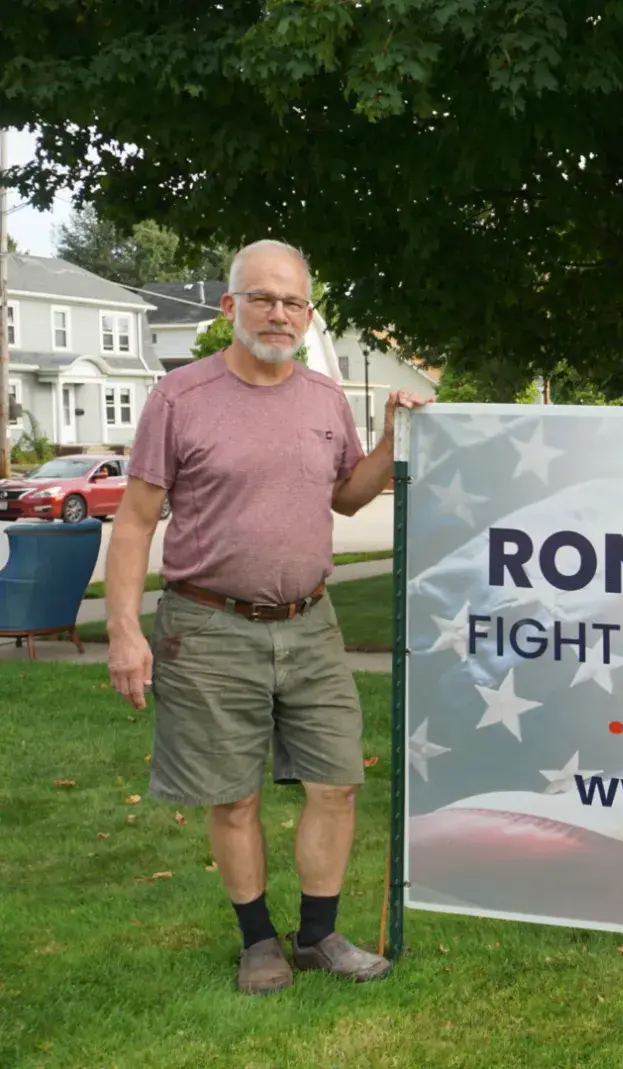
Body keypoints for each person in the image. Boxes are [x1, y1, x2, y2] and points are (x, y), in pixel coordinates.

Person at [104, 238, 430, 995]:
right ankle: (258, 941)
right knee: (234, 792)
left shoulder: (322, 399)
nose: (279, 313)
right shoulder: (179, 397)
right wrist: (123, 629)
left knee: (337, 780)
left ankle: (318, 935)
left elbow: (348, 494)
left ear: (307, 313)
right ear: (230, 307)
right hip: (209, 623)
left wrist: (388, 438)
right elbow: (134, 521)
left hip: (311, 622)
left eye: (292, 301)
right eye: (263, 297)